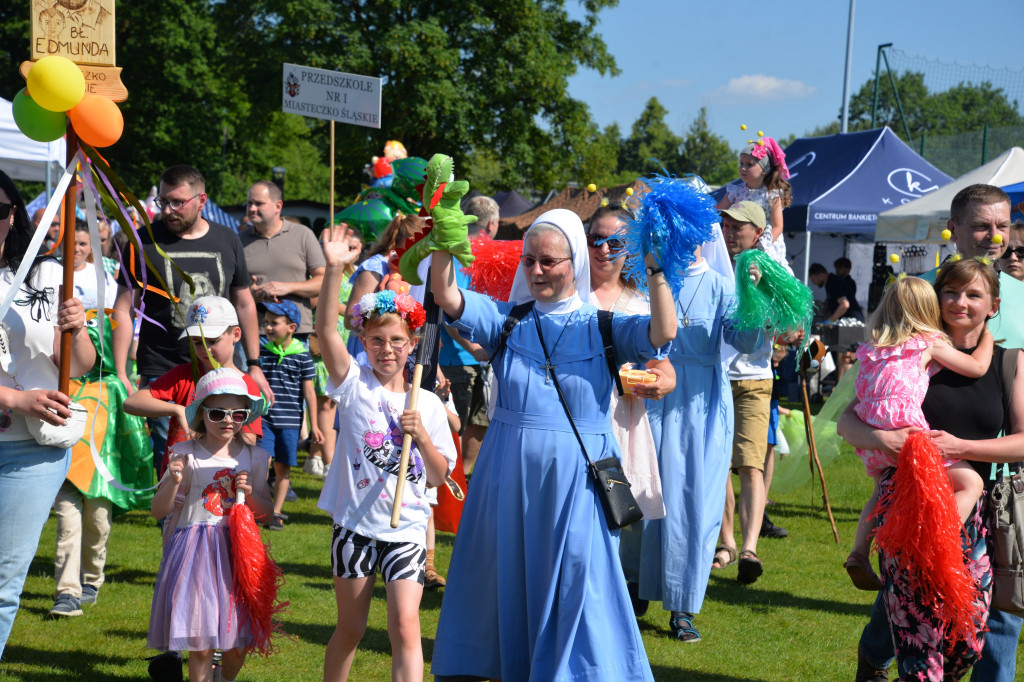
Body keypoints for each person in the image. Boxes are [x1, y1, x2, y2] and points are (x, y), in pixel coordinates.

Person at [429, 208, 676, 681]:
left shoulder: (604, 325)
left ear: (575, 262)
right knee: (507, 581)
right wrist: (444, 239)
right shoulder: (506, 320)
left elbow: (662, 334)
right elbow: (446, 294)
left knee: (577, 583)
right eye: (530, 261)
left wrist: (656, 268)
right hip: (508, 479)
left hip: (577, 484)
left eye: (549, 261)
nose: (537, 271)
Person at [840, 258, 1021, 682]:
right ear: (935, 299)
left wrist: (964, 447)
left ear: (993, 305)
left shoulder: (1007, 361)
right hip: (908, 505)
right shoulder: (911, 349)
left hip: (975, 518)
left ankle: (873, 654)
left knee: (967, 637)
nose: (960, 302)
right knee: (921, 641)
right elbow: (851, 419)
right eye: (951, 293)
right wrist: (882, 440)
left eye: (973, 295)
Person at [315, 235, 456, 682]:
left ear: (413, 342)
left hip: (408, 527)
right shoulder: (354, 383)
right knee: (351, 628)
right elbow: (323, 332)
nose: (388, 349)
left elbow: (437, 476)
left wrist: (422, 438)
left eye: (397, 340)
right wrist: (335, 269)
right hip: (355, 524)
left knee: (405, 626)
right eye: (377, 340)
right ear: (363, 340)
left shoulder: (428, 404)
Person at [112, 165, 272, 469]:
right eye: (163, 202)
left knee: (226, 448)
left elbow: (244, 302)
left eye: (177, 202)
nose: (168, 211)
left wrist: (254, 364)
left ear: (201, 200)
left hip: (221, 364)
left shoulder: (228, 239)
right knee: (172, 453)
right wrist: (122, 370)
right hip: (163, 363)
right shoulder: (141, 240)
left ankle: (217, 513)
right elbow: (123, 306)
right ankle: (171, 516)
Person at [0, 170, 96, 657]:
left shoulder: (48, 275)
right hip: (20, 415)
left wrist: (77, 329)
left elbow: (78, 366)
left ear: (13, 214)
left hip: (30, 453)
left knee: (2, 583)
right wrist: (15, 399)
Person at [843, 276, 990, 592]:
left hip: (872, 428)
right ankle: (940, 538)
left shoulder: (871, 350)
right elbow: (976, 367)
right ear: (928, 310)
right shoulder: (927, 342)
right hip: (906, 431)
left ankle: (858, 552)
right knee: (971, 482)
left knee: (879, 493)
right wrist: (988, 336)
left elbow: (857, 401)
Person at [147, 368, 273, 682]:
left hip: (238, 553)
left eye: (238, 413)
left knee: (237, 643)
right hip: (195, 554)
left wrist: (249, 494)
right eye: (217, 413)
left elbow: (268, 512)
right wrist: (174, 482)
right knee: (200, 642)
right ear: (202, 414)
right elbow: (157, 510)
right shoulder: (185, 453)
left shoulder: (256, 457)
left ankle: (224, 678)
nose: (228, 420)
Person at [46, 221, 126, 619]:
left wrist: (123, 371)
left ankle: (92, 575)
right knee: (67, 507)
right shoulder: (42, 276)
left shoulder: (107, 282)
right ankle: (67, 591)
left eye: (82, 242)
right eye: (67, 241)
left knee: (97, 513)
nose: (75, 248)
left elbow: (122, 328)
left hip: (98, 401)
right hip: (61, 394)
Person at [123, 296, 264, 475]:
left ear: (235, 335)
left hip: (220, 479)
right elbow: (132, 403)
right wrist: (178, 410)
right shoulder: (183, 374)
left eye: (213, 340)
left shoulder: (246, 385)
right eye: (198, 342)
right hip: (177, 476)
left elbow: (248, 441)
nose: (206, 349)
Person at [716, 201, 778, 585]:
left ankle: (750, 548)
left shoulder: (770, 270)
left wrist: (760, 294)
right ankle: (726, 543)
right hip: (717, 376)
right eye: (727, 224)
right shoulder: (714, 263)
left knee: (750, 465)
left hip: (755, 378)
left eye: (739, 226)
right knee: (721, 465)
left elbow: (788, 316)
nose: (730, 230)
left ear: (757, 232)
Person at [438, 195, 499, 475]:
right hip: (460, 359)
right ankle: (451, 484)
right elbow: (449, 311)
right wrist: (474, 348)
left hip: (482, 358)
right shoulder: (461, 254)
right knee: (455, 427)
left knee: (479, 423)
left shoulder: (491, 255)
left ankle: (464, 479)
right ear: (492, 223)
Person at [259, 300, 321, 529]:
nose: (268, 327)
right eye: (266, 323)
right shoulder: (261, 353)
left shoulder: (302, 356)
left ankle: (275, 512)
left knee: (282, 468)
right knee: (261, 464)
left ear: (292, 327)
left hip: (290, 423)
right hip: (264, 420)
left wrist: (315, 426)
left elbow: (309, 393)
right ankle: (260, 508)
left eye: (274, 323)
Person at [307, 224, 362, 479]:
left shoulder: (358, 275)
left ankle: (316, 456)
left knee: (331, 403)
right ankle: (326, 460)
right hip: (329, 339)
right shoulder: (326, 274)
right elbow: (319, 304)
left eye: (352, 246)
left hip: (346, 340)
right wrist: (346, 309)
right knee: (326, 402)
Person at [240, 180, 326, 341]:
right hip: (253, 334)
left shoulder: (303, 234)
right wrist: (249, 293)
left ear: (278, 206)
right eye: (249, 203)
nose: (252, 208)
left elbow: (323, 282)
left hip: (294, 333)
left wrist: (286, 287)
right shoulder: (239, 240)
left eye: (259, 204)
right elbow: (228, 289)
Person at [343, 214, 424, 364]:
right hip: (368, 355)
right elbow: (350, 318)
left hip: (396, 356)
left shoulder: (411, 268)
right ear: (411, 241)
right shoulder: (375, 266)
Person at [716, 136, 793, 272]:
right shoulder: (735, 191)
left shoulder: (772, 195)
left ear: (764, 169)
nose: (743, 168)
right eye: (741, 163)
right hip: (741, 246)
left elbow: (778, 226)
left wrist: (761, 245)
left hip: (765, 248)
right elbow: (717, 211)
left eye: (749, 164)